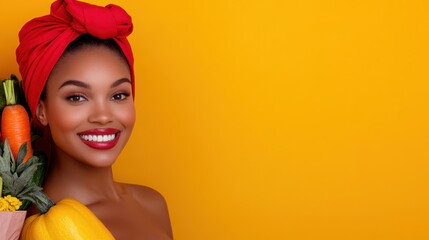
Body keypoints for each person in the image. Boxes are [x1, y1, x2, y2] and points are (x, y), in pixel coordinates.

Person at [16, 0, 173, 239]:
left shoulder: (153, 203)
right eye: (77, 97)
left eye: (118, 95)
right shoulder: (30, 229)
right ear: (41, 110)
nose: (103, 116)